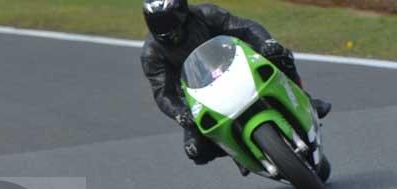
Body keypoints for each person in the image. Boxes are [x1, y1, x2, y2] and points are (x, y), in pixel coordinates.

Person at [140, 0, 332, 169]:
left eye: (166, 19)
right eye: (156, 21)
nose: (163, 27)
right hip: (197, 95)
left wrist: (267, 43)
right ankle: (235, 151)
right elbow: (162, 93)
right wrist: (179, 113)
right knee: (196, 151)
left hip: (235, 66)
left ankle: (305, 101)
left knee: (279, 55)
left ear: (181, 10)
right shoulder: (152, 53)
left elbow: (246, 27)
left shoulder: (206, 14)